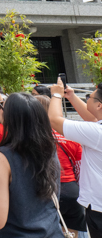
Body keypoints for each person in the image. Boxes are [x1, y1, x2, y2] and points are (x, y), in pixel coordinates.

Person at [0, 93, 61, 237]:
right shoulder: (50, 148)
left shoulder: (1, 157)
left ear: (10, 118)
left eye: (2, 108)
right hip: (52, 231)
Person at [49, 80, 102, 237]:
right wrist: (71, 97)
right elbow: (92, 119)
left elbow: (54, 120)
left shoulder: (96, 133)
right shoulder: (96, 130)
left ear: (99, 105)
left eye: (88, 97)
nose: (87, 100)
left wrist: (56, 95)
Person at [34, 95, 87, 237]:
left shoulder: (31, 137)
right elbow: (79, 167)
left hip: (45, 190)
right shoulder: (69, 136)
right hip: (71, 191)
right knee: (70, 232)